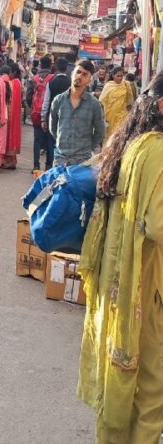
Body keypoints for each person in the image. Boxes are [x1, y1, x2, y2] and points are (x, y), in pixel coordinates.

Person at [77, 72, 163, 442]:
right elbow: (159, 225)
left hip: (120, 287)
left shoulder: (131, 143)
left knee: (121, 384)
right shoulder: (158, 150)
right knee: (151, 393)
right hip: (145, 287)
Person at [48, 59, 105, 166]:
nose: (80, 76)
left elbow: (100, 132)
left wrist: (87, 148)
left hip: (82, 161)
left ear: (89, 80)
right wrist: (62, 142)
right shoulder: (58, 100)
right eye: (78, 72)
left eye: (84, 74)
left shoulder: (94, 104)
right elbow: (53, 128)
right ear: (72, 73)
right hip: (60, 159)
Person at [26, 56, 55, 171]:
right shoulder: (53, 78)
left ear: (40, 65)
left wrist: (33, 107)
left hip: (36, 113)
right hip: (49, 114)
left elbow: (28, 96)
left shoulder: (34, 79)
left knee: (37, 140)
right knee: (49, 140)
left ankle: (36, 166)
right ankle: (48, 166)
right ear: (51, 65)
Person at [99, 66, 135, 142]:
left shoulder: (126, 84)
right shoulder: (108, 85)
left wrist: (130, 115)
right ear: (113, 75)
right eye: (118, 76)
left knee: (120, 136)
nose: (120, 78)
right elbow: (101, 101)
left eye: (121, 76)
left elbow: (129, 100)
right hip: (110, 116)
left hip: (122, 115)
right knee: (110, 137)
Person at [3, 63, 22, 169]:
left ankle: (8, 161)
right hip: (10, 113)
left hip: (11, 113)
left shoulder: (15, 82)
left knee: (9, 136)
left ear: (14, 72)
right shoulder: (16, 82)